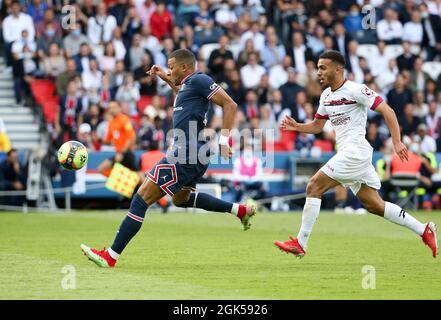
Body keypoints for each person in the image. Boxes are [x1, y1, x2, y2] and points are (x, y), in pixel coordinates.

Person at [81, 49, 256, 267]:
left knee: (141, 196)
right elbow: (181, 90)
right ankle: (240, 211)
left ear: (184, 67)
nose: (169, 69)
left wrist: (224, 139)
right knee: (180, 199)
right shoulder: (189, 87)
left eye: (171, 66)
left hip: (185, 151)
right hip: (194, 152)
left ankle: (111, 256)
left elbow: (230, 104)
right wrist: (165, 77)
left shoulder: (200, 79)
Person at [274, 50, 438, 259]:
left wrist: (396, 141)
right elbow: (317, 126)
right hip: (350, 153)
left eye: (323, 68)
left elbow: (387, 111)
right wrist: (297, 126)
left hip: (355, 152)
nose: (318, 73)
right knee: (375, 205)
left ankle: (301, 242)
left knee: (314, 186)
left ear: (338, 69)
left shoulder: (356, 90)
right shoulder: (326, 96)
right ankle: (424, 230)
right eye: (317, 68)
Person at [98, 100, 137, 175]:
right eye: (110, 108)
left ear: (119, 108)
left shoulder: (124, 119)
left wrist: (122, 153)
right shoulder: (111, 123)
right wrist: (99, 140)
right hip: (119, 154)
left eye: (114, 107)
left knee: (137, 176)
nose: (112, 110)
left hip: (126, 153)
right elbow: (108, 141)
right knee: (101, 169)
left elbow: (131, 137)